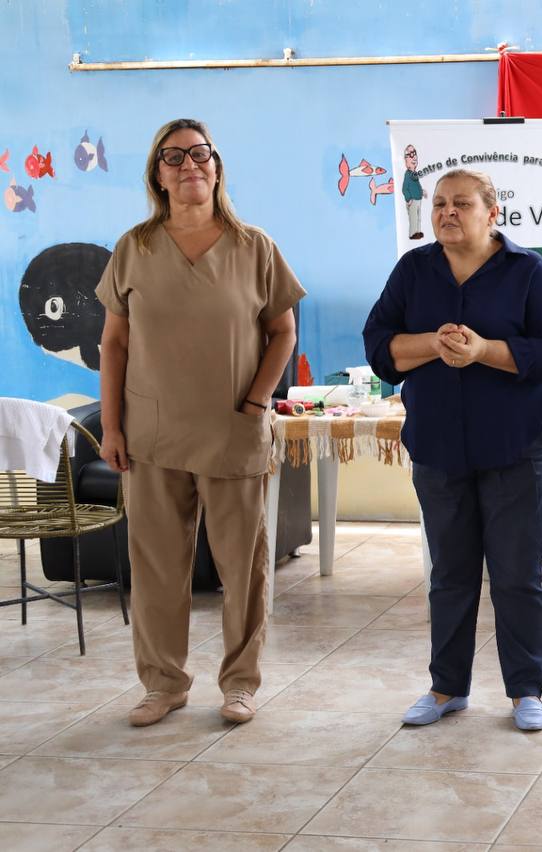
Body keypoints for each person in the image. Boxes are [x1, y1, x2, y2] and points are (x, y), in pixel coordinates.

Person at [96, 118, 305, 727]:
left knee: (243, 568)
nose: (190, 165)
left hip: (233, 431)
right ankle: (163, 684)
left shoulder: (254, 247)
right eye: (173, 157)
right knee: (157, 566)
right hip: (151, 435)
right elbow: (113, 344)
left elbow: (283, 331)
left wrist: (257, 403)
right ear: (157, 175)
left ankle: (240, 683)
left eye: (201, 154)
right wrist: (111, 427)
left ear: (217, 167)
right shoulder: (133, 247)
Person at [363, 168, 542, 732]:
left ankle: (526, 691)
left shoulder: (527, 272)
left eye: (460, 203)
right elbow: (380, 346)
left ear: (492, 213)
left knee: (516, 575)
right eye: (438, 204)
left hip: (515, 448)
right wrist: (433, 344)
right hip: (437, 448)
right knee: (450, 575)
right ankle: (445, 688)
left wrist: (483, 350)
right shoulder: (413, 271)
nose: (446, 213)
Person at [402, 144, 425, 240]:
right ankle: (413, 234)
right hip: (413, 200)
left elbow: (417, 186)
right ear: (406, 160)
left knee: (419, 217)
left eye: (414, 153)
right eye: (410, 154)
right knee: (413, 218)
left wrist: (422, 191)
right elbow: (404, 188)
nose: (414, 156)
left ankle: (418, 232)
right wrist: (408, 198)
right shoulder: (407, 174)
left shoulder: (414, 174)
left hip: (419, 199)